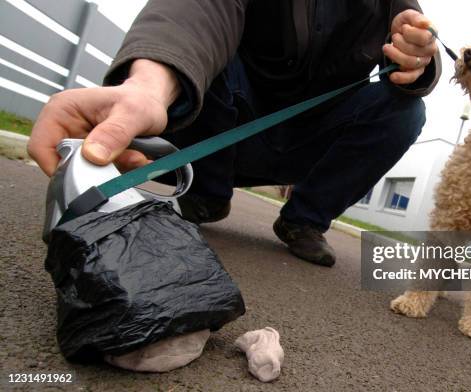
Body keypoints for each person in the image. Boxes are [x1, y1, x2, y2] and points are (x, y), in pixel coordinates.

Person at [28, 0, 441, 267]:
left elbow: (421, 48)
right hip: (224, 132)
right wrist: (147, 87)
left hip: (309, 143)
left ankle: (305, 220)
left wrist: (420, 60)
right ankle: (204, 195)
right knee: (207, 60)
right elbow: (195, 13)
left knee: (406, 111)